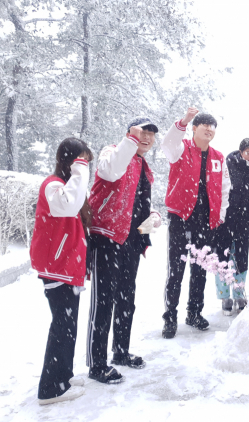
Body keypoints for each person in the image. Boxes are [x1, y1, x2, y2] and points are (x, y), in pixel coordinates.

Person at [86, 117, 162, 384]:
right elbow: (111, 172)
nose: (147, 137)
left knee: (126, 299)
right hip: (107, 236)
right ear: (130, 133)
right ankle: (97, 364)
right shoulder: (113, 152)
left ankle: (120, 351)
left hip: (131, 239)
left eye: (152, 134)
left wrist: (150, 217)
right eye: (143, 132)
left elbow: (139, 200)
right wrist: (129, 141)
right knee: (103, 303)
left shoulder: (143, 165)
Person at [30, 137, 92, 404]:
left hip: (66, 266)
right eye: (81, 161)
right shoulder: (53, 185)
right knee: (62, 326)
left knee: (68, 324)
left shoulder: (67, 186)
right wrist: (80, 169)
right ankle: (50, 388)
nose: (85, 168)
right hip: (56, 266)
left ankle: (63, 375)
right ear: (69, 161)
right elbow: (66, 206)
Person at [161, 108, 231, 339]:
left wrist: (219, 214)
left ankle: (194, 312)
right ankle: (170, 316)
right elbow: (168, 143)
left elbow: (224, 188)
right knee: (176, 270)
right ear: (194, 128)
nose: (209, 129)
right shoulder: (181, 149)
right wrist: (183, 120)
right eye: (204, 125)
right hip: (181, 217)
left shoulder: (218, 158)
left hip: (206, 220)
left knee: (200, 268)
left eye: (212, 126)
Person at [214, 119, 249, 316]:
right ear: (240, 151)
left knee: (241, 256)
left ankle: (239, 293)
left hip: (244, 218)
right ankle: (224, 296)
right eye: (247, 151)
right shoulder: (231, 161)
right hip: (226, 216)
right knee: (223, 254)